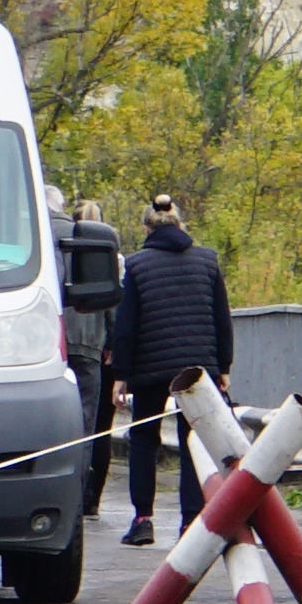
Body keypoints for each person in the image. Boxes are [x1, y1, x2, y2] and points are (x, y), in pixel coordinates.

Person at [106, 194, 232, 546]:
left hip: (150, 369)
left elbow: (127, 324)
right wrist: (223, 367)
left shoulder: (137, 265)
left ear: (147, 227)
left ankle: (143, 520)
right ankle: (190, 523)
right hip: (197, 368)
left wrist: (121, 373)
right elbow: (222, 318)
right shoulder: (207, 261)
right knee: (193, 441)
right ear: (180, 224)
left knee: (144, 440)